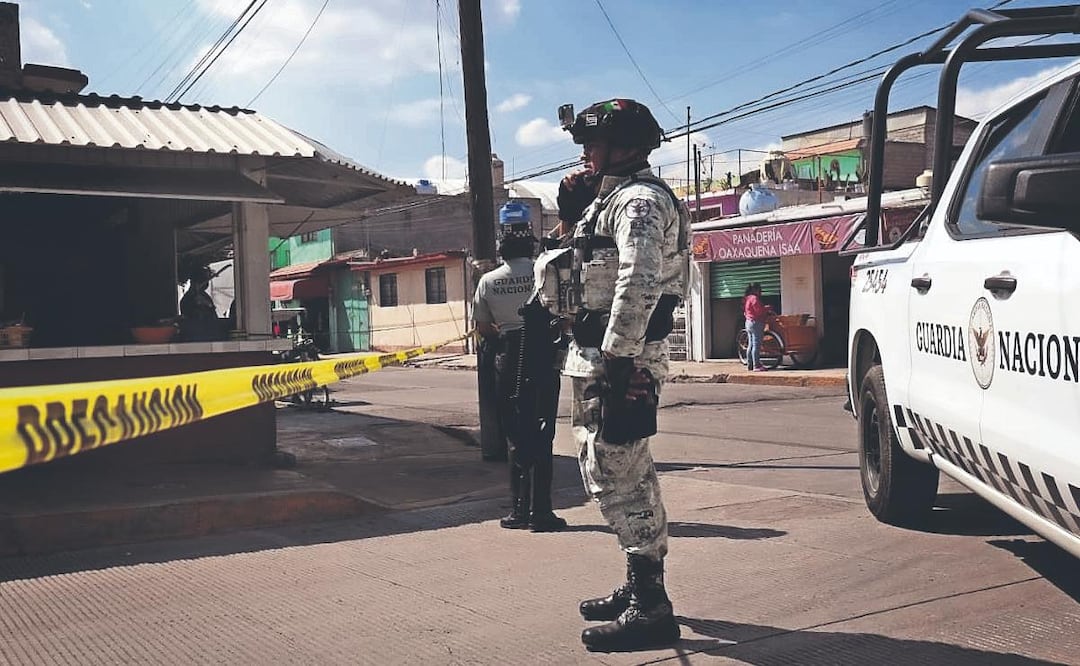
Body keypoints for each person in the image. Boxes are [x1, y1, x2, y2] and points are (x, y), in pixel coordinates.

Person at [542, 97, 690, 651]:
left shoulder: (641, 204)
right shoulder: (611, 199)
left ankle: (652, 607)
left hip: (619, 361)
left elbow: (639, 282)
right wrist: (572, 208)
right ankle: (639, 583)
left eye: (593, 142)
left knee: (616, 473)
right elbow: (575, 266)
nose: (585, 152)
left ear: (626, 146)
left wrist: (619, 359)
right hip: (598, 356)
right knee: (624, 471)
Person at [473, 202, 567, 533]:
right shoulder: (548, 270)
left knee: (516, 436)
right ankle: (542, 512)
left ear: (501, 241)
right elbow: (563, 313)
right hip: (542, 354)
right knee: (543, 435)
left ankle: (518, 511)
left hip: (507, 359)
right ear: (530, 238)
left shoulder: (488, 281)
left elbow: (484, 328)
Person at [743, 282, 769, 371]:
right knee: (756, 345)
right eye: (759, 290)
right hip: (756, 323)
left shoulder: (747, 298)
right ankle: (757, 365)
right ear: (756, 290)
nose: (760, 292)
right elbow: (759, 311)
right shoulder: (754, 298)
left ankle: (750, 364)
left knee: (751, 344)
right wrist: (767, 308)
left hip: (748, 322)